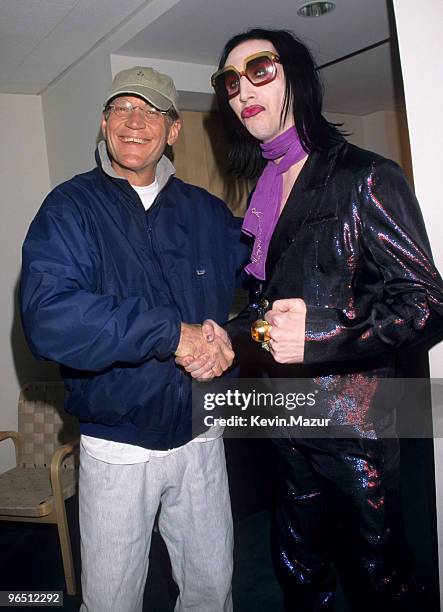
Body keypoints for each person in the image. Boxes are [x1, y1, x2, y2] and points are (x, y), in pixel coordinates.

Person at [181, 29, 443, 611]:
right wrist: (233, 332)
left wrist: (327, 332)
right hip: (281, 411)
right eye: (229, 81)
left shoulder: (367, 177)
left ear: (296, 77)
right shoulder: (266, 188)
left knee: (379, 573)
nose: (241, 89)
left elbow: (427, 303)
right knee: (297, 561)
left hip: (354, 420)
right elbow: (274, 302)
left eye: (260, 70)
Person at [20, 66, 248, 612]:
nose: (134, 121)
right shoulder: (70, 208)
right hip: (118, 445)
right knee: (111, 599)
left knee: (212, 589)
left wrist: (228, 338)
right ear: (104, 123)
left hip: (200, 435)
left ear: (173, 131)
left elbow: (261, 291)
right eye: (122, 108)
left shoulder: (208, 214)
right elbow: (50, 317)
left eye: (152, 111)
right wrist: (172, 335)